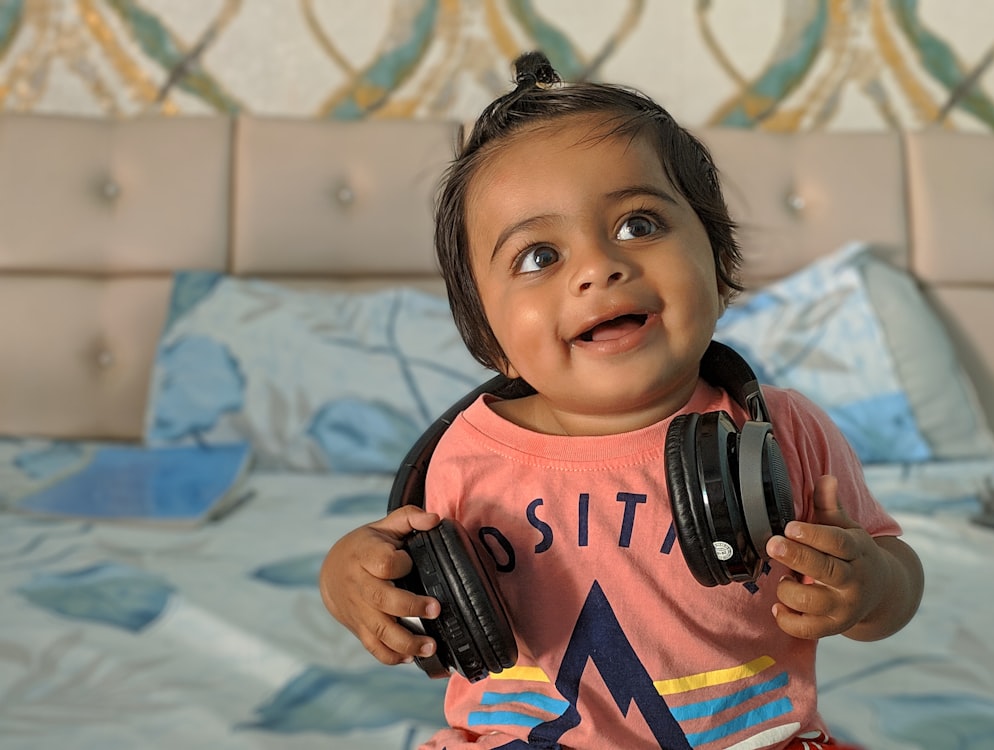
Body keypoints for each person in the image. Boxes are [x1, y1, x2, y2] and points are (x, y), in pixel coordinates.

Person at [318, 51, 924, 750]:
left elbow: (891, 575)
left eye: (638, 224)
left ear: (719, 265)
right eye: (539, 257)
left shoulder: (777, 431)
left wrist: (871, 586)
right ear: (492, 342)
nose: (599, 268)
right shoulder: (463, 457)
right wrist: (344, 581)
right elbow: (408, 591)